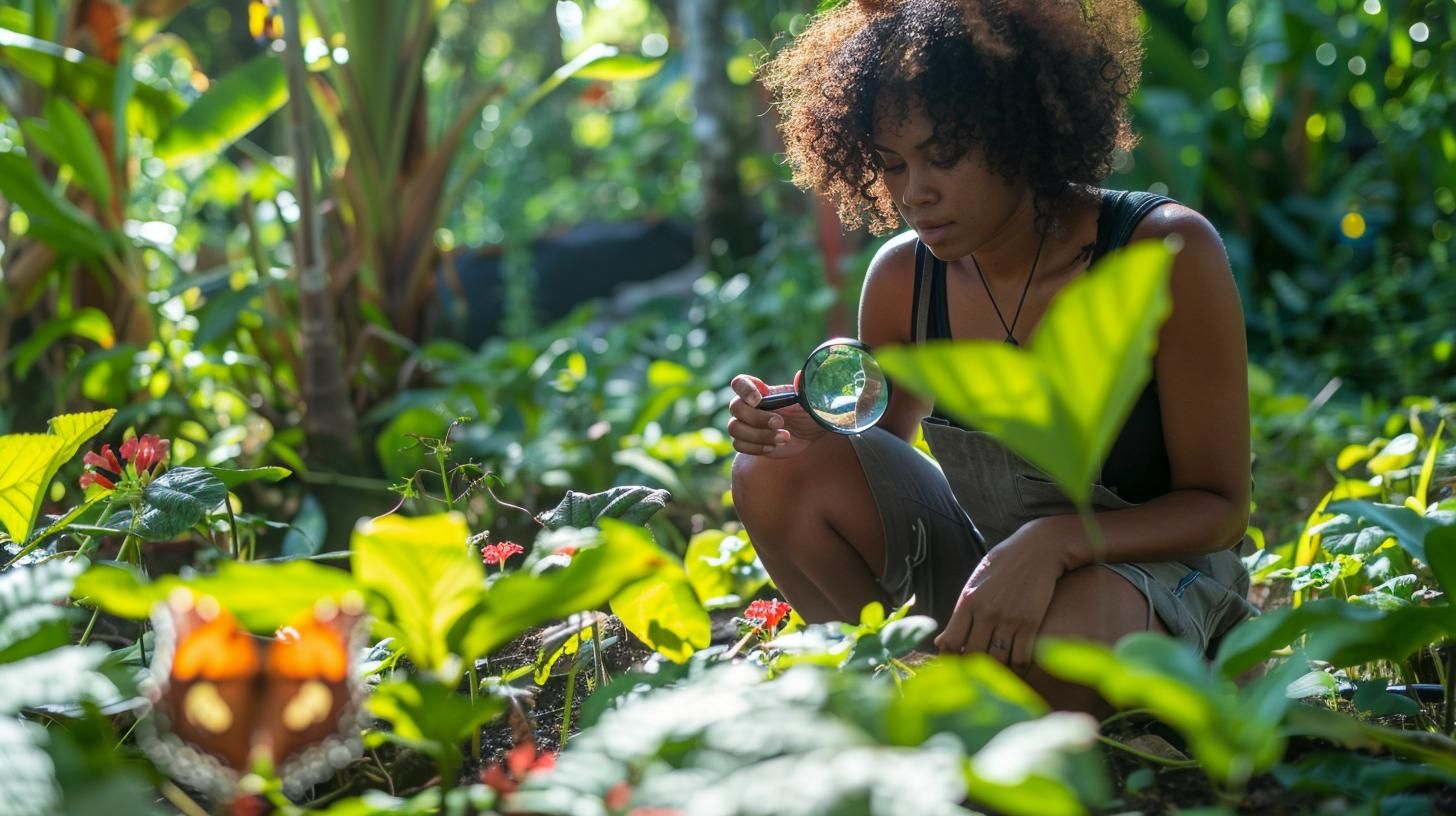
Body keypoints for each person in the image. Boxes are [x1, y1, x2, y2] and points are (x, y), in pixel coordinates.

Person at [728, 0, 1256, 713]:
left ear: (1023, 129)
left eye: (943, 156)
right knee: (771, 474)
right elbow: (875, 457)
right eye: (892, 165)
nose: (916, 192)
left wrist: (1056, 543)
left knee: (1068, 649)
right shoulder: (902, 279)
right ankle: (898, 690)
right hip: (990, 574)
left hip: (1148, 577)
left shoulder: (1163, 251)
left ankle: (977, 708)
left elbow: (1220, 509)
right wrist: (810, 432)